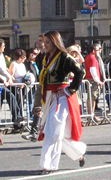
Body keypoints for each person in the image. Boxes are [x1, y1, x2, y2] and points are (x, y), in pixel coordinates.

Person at [39, 31, 86, 174]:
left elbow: (80, 72)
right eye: (44, 42)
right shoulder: (45, 58)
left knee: (53, 131)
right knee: (56, 132)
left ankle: (48, 165)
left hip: (62, 99)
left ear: (55, 42)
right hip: (50, 97)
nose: (45, 45)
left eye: (47, 42)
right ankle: (78, 153)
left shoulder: (65, 57)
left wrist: (69, 90)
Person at [21, 35, 46, 142]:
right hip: (42, 84)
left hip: (52, 86)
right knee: (37, 108)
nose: (38, 43)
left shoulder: (54, 54)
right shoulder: (40, 57)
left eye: (41, 41)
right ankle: (34, 132)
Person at [0, 40, 23, 129]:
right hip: (2, 83)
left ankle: (17, 117)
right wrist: (7, 77)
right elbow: (1, 70)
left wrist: (7, 78)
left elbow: (3, 69)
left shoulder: (2, 56)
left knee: (11, 97)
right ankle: (17, 117)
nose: (4, 47)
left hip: (3, 82)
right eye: (3, 46)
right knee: (10, 97)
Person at [84, 43, 105, 122]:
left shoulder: (89, 57)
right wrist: (98, 81)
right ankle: (91, 115)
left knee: (92, 98)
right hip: (92, 80)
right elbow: (93, 70)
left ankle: (91, 115)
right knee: (92, 98)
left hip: (91, 80)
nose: (99, 51)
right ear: (93, 50)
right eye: (98, 50)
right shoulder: (92, 58)